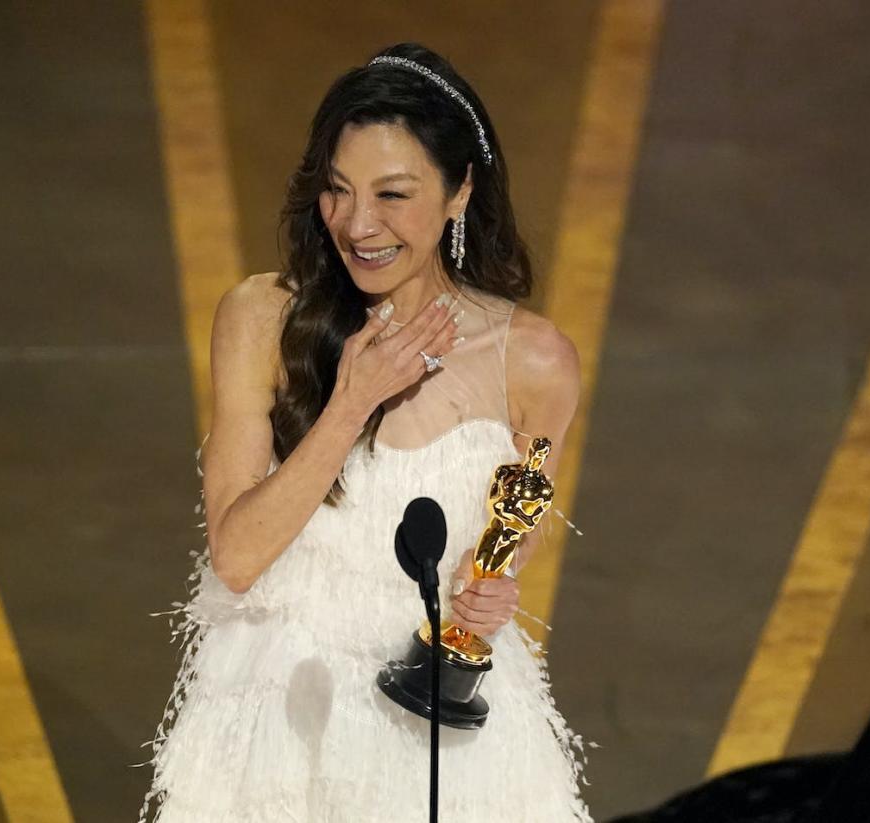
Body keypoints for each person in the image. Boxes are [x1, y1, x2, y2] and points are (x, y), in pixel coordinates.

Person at [139, 42, 592, 822]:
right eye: (338, 191)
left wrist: (487, 600)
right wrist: (351, 403)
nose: (357, 224)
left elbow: (501, 551)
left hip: (443, 738)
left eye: (392, 194)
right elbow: (237, 556)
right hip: (279, 714)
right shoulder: (260, 319)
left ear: (459, 193)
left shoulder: (537, 363)